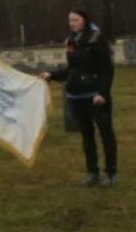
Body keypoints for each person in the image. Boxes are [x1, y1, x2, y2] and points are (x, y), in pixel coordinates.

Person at [41, 10, 117, 187]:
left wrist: (102, 93)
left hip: (95, 95)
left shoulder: (96, 40)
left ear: (84, 20)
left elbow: (107, 70)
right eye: (70, 20)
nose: (72, 23)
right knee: (86, 135)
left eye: (76, 20)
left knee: (106, 133)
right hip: (76, 95)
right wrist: (52, 75)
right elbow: (72, 69)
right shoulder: (71, 41)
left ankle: (111, 173)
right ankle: (92, 172)